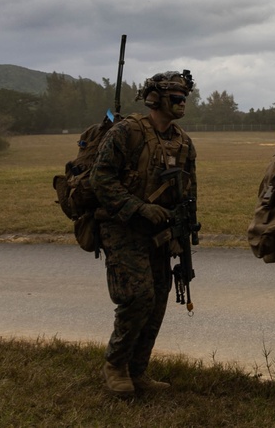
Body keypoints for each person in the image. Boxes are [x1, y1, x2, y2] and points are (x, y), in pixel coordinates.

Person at [90, 70, 197, 397]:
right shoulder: (127, 133)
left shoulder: (182, 141)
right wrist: (137, 208)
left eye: (184, 98)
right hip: (123, 228)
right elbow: (101, 179)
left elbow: (189, 190)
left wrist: (187, 228)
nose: (181, 104)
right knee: (138, 297)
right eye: (176, 98)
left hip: (161, 233)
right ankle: (115, 364)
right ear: (157, 99)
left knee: (159, 299)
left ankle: (138, 371)